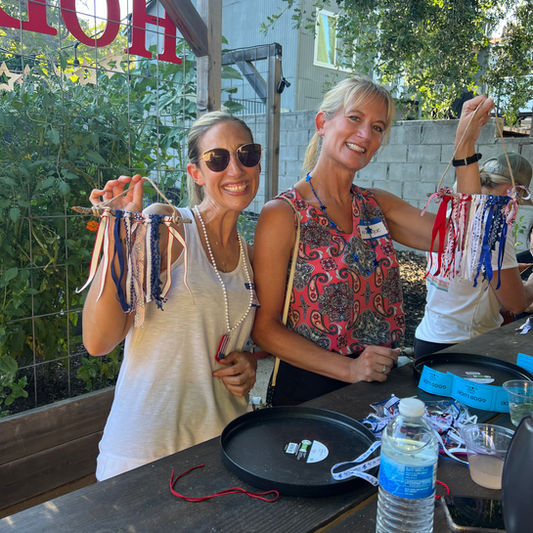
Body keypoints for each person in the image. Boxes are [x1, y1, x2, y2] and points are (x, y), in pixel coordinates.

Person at [251, 75, 494, 405]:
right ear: (322, 123)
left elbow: (461, 237)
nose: (365, 134)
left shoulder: (375, 205)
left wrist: (464, 147)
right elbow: (264, 329)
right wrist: (350, 369)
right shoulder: (284, 213)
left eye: (377, 127)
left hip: (377, 385)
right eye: (354, 118)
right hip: (310, 392)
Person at [82, 111, 261, 480]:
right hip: (146, 455)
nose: (236, 169)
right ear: (196, 173)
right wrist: (118, 235)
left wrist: (250, 362)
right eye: (217, 159)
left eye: (246, 154)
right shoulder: (167, 226)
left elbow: (232, 336)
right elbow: (98, 341)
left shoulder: (250, 257)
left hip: (223, 449)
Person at [414, 152, 533, 357]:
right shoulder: (494, 227)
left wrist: (507, 275)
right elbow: (516, 304)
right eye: (518, 201)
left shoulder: (450, 215)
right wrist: (530, 285)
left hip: (429, 337)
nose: (514, 209)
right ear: (511, 191)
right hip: (464, 344)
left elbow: (461, 281)